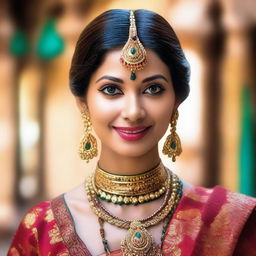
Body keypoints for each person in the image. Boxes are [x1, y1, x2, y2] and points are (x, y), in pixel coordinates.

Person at [8, 9, 256, 256]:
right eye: (112, 90)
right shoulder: (40, 230)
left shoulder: (227, 221)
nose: (134, 111)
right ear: (83, 102)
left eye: (153, 89)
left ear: (176, 100)